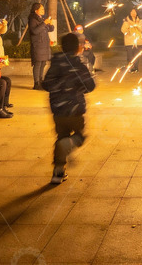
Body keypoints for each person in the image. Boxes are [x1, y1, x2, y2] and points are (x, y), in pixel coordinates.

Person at [43, 32, 96, 184]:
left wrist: (58, 88)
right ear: (77, 48)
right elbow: (90, 85)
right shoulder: (79, 65)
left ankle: (58, 173)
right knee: (79, 136)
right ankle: (71, 142)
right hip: (75, 109)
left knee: (60, 137)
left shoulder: (55, 64)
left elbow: (46, 84)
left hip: (58, 111)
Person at [28, 2, 55, 90]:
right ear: (36, 10)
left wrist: (50, 23)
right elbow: (34, 31)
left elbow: (50, 29)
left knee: (43, 63)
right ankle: (36, 83)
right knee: (38, 63)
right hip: (38, 45)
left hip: (44, 44)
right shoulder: (32, 19)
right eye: (41, 9)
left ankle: (40, 81)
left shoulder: (41, 19)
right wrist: (44, 23)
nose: (43, 10)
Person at [121, 8, 142, 73]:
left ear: (136, 13)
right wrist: (128, 30)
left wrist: (136, 25)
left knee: (136, 56)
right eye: (132, 12)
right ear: (129, 13)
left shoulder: (139, 21)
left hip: (138, 42)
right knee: (130, 56)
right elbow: (123, 30)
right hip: (129, 42)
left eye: (135, 12)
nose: (133, 13)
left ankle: (136, 68)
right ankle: (131, 68)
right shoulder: (126, 21)